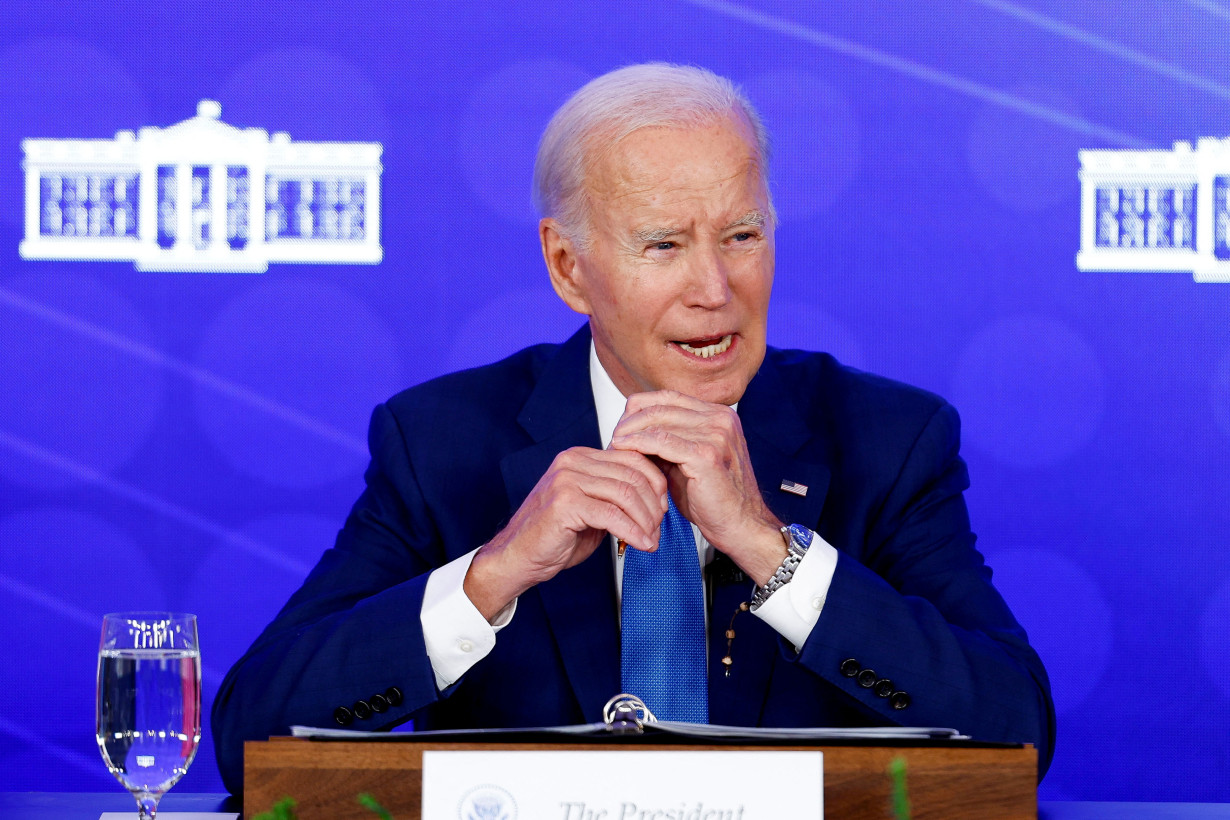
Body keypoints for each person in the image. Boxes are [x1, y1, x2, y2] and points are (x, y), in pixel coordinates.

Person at [211, 63, 1055, 793]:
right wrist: (494, 575)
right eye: (664, 245)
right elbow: (254, 743)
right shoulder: (440, 443)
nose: (715, 288)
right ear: (568, 267)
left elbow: (1016, 731)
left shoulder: (889, 439)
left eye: (742, 235)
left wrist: (773, 552)